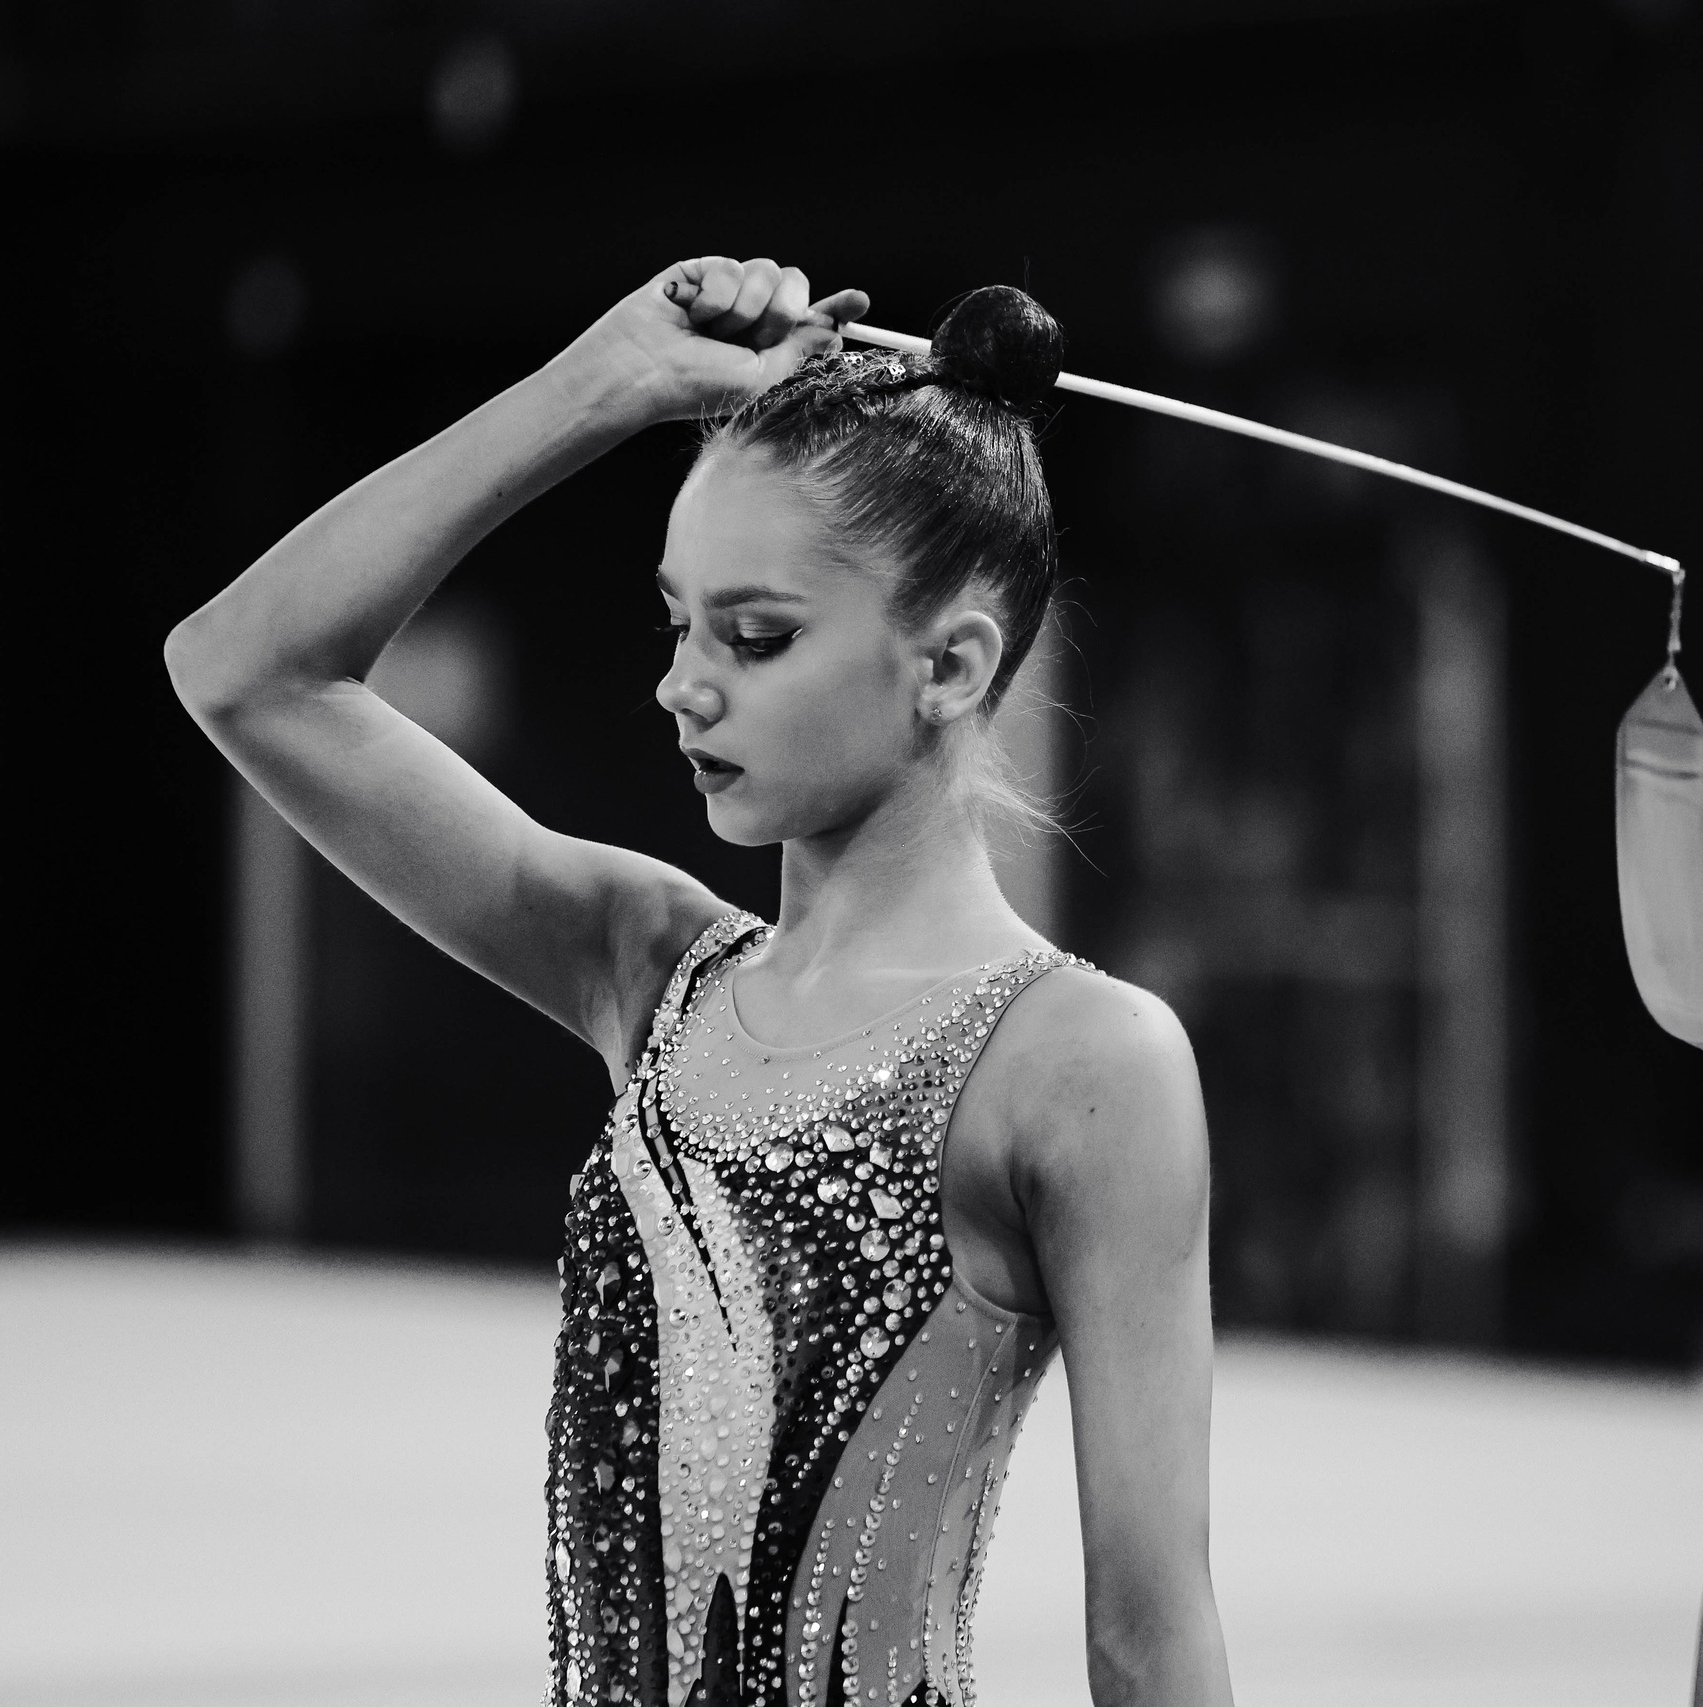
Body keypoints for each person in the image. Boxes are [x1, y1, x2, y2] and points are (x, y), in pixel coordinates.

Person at [165, 257, 1234, 1707]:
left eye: (756, 635)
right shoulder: (650, 967)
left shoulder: (1079, 1060)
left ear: (951, 664)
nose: (682, 683)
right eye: (679, 620)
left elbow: (1149, 1637)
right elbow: (242, 669)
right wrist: (598, 388)